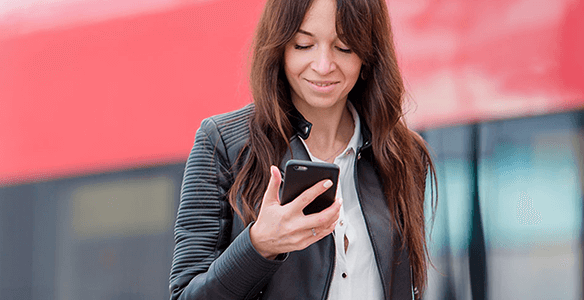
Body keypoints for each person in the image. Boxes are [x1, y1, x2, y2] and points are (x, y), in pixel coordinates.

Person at [168, 0, 436, 299]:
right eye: (303, 45)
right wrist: (259, 246)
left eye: (345, 47)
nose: (323, 66)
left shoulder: (403, 154)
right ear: (279, 48)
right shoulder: (223, 143)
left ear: (368, 54)